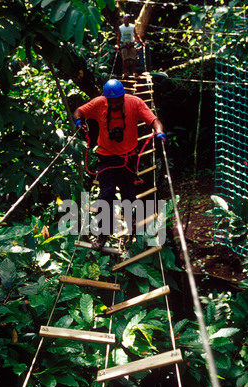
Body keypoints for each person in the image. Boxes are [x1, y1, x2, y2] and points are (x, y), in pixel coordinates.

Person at [73, 78, 166, 251]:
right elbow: (79, 111)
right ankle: (103, 235)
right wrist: (79, 121)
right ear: (106, 99)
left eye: (118, 101)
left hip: (127, 158)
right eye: (112, 101)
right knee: (106, 196)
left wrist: (159, 131)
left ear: (124, 97)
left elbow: (154, 120)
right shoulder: (100, 103)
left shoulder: (135, 103)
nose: (115, 104)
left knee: (129, 196)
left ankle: (130, 224)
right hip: (106, 158)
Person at [117, 14, 144, 78]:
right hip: (124, 44)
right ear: (123, 20)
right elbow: (118, 37)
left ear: (129, 20)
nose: (127, 20)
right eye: (125, 19)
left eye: (128, 19)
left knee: (133, 59)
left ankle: (134, 72)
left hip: (131, 44)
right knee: (125, 59)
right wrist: (118, 45)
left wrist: (141, 41)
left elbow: (136, 35)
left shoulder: (132, 27)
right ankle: (125, 72)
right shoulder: (121, 28)